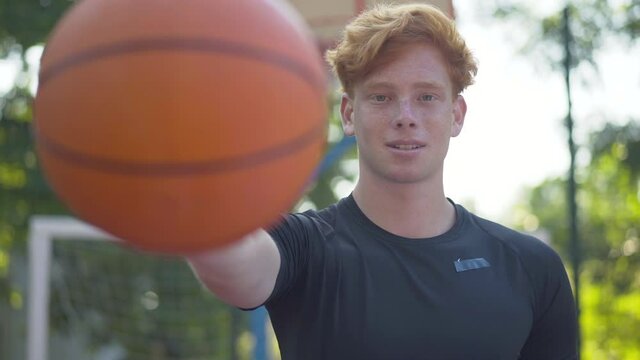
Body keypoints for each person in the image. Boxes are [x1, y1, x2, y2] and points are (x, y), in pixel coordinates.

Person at [188, 3, 578, 359]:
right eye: (381, 97)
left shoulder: (531, 267)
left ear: (456, 115)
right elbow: (234, 267)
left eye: (426, 97)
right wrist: (176, 173)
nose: (405, 116)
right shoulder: (306, 249)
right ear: (347, 113)